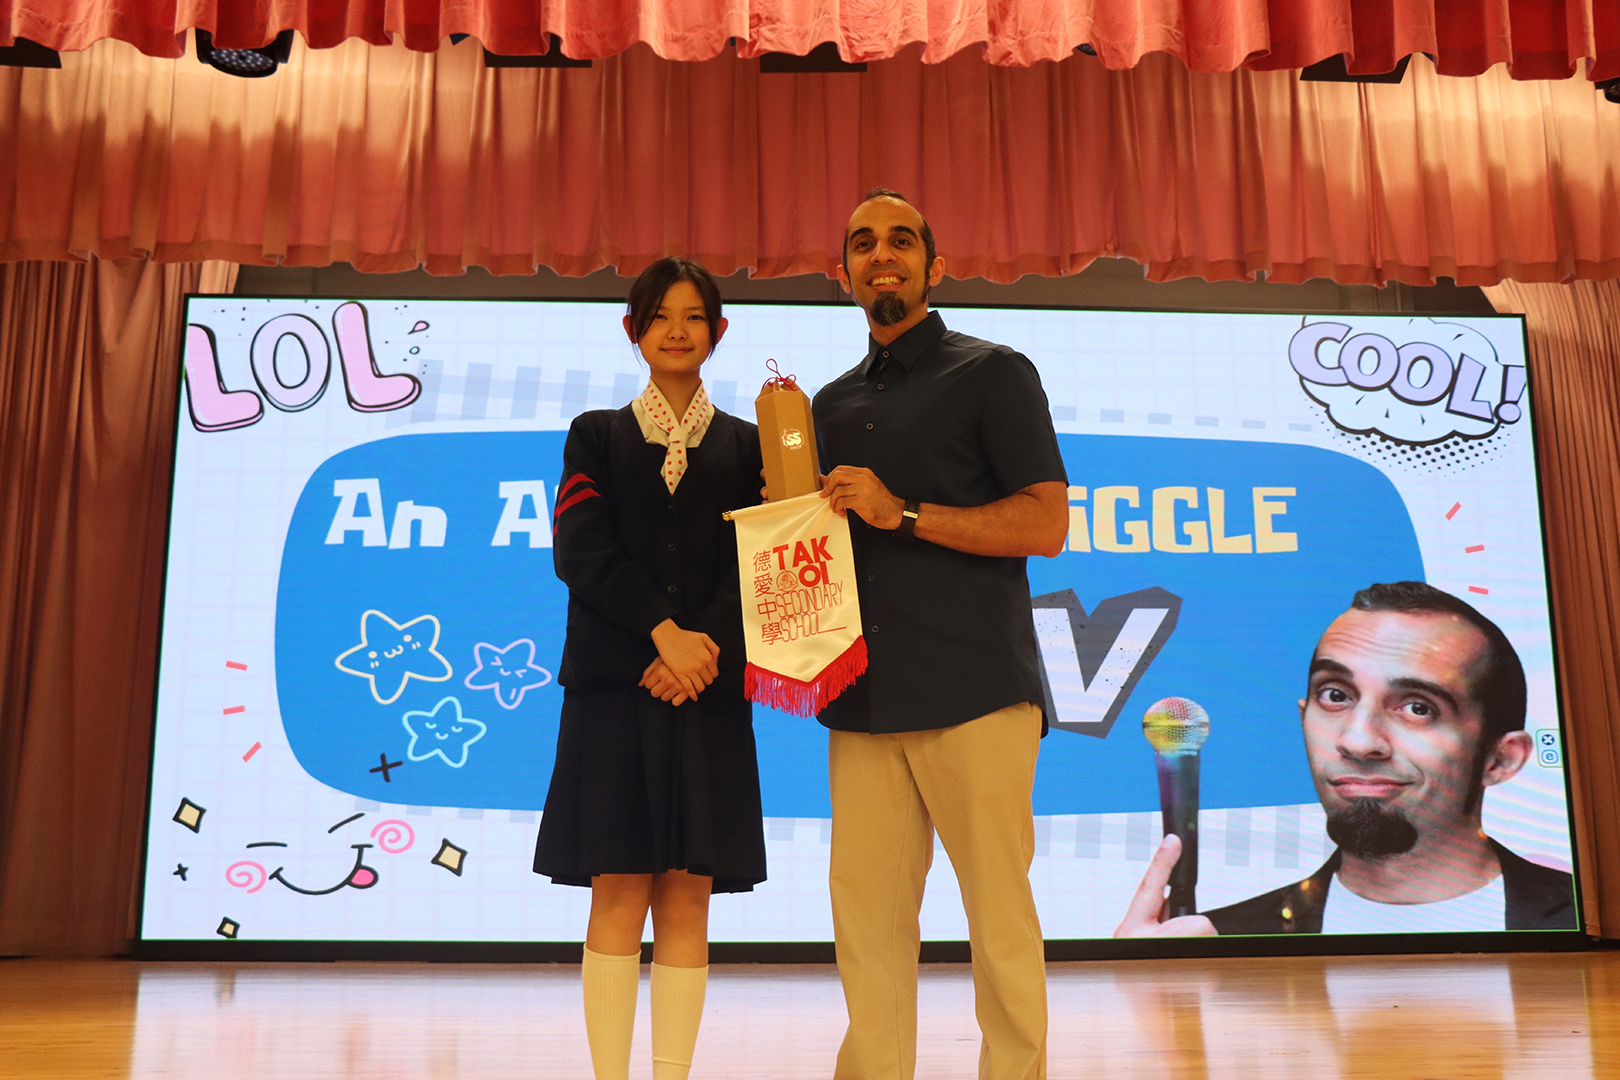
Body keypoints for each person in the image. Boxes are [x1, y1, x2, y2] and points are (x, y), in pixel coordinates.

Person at [811, 188, 1070, 1080]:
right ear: (841, 272)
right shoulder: (827, 405)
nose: (881, 255)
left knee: (998, 917)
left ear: (935, 265)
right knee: (867, 926)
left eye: (901, 240)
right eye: (863, 243)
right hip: (862, 697)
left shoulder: (994, 372)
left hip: (975, 690)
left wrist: (906, 513)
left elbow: (1045, 524)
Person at [533, 257, 766, 1080]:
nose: (677, 331)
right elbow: (582, 552)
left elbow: (762, 563)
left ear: (718, 331)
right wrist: (664, 635)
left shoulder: (749, 444)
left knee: (688, 894)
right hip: (615, 693)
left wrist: (701, 648)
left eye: (694, 316)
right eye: (660, 315)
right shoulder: (594, 434)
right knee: (619, 887)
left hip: (708, 693)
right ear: (633, 329)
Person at [1116, 580, 1576, 938]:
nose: (1358, 741)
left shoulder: (1589, 917)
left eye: (1418, 707)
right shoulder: (1222, 941)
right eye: (1335, 696)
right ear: (1303, 717)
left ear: (1501, 759)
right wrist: (1139, 989)